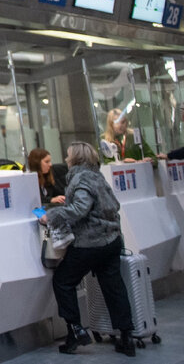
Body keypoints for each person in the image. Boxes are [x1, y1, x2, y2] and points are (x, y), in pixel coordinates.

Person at [41, 141, 136, 356]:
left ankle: (75, 331)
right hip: (111, 240)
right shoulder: (97, 176)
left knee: (63, 281)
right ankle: (127, 336)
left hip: (90, 242)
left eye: (68, 155)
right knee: (114, 287)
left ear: (75, 158)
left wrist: (52, 216)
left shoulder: (81, 178)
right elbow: (114, 205)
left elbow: (79, 209)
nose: (65, 158)